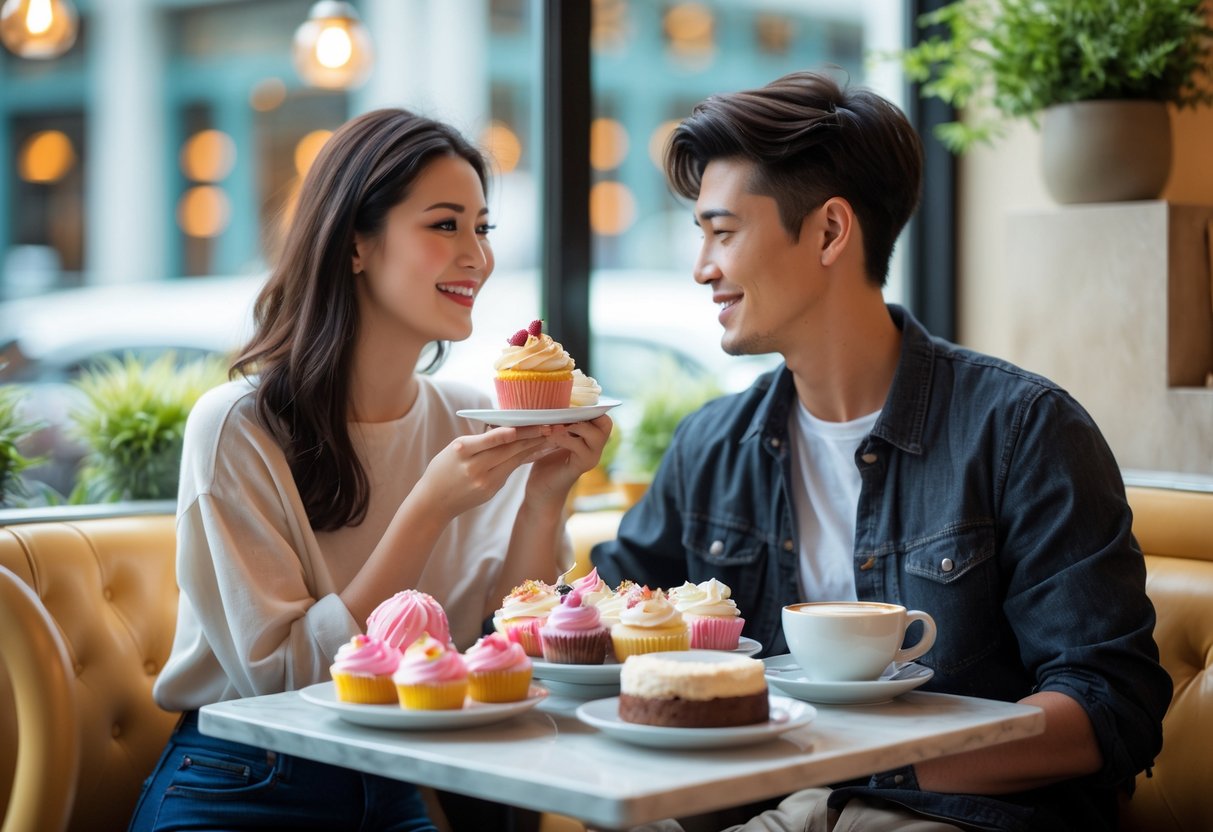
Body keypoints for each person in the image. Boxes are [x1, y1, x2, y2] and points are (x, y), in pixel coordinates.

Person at [591, 71, 1170, 832]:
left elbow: (1107, 704)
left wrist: (867, 766)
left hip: (954, 813)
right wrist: (544, 489)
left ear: (830, 231)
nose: (701, 266)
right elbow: (595, 640)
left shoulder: (1023, 430)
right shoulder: (712, 445)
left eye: (722, 232)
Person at [129, 108, 611, 832]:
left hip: (394, 779)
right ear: (355, 244)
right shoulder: (238, 427)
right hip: (246, 776)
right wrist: (426, 511)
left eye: (482, 228)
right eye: (444, 225)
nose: (476, 256)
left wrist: (544, 500)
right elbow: (287, 685)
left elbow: (509, 648)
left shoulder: (474, 417)